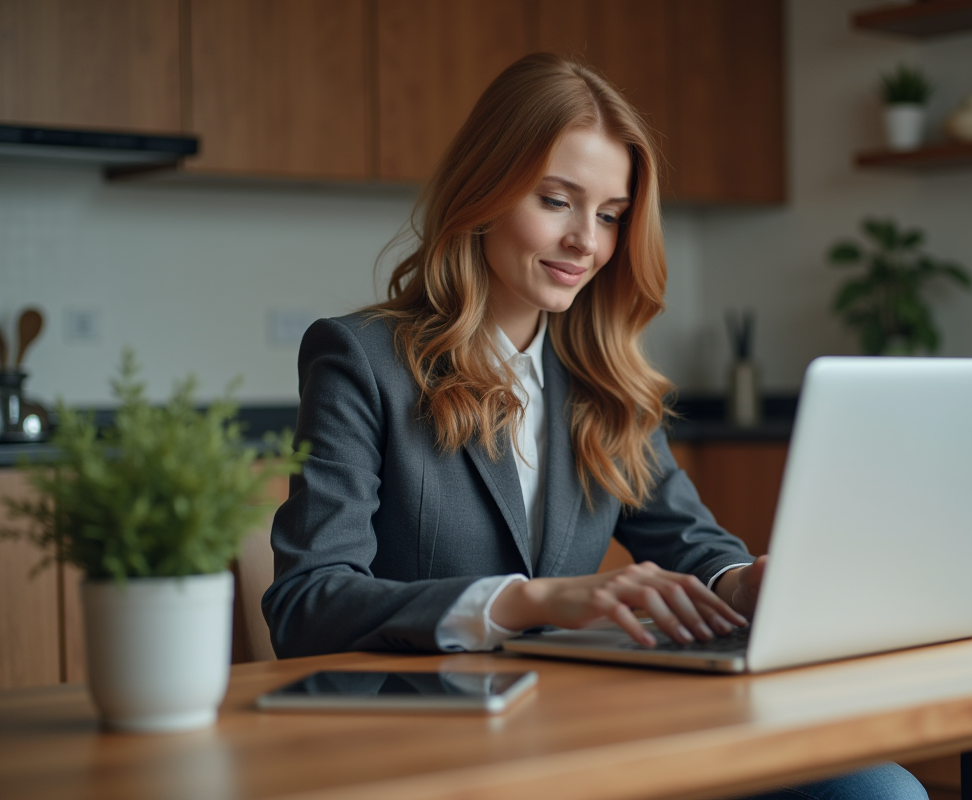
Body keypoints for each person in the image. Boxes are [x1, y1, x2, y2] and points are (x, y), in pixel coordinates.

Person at [264, 53, 926, 800]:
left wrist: (745, 585)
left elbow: (691, 543)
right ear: (482, 192)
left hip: (595, 729)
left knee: (877, 790)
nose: (588, 240)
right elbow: (307, 603)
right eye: (557, 201)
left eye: (610, 215)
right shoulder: (362, 359)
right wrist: (530, 600)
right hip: (435, 751)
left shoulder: (603, 379)